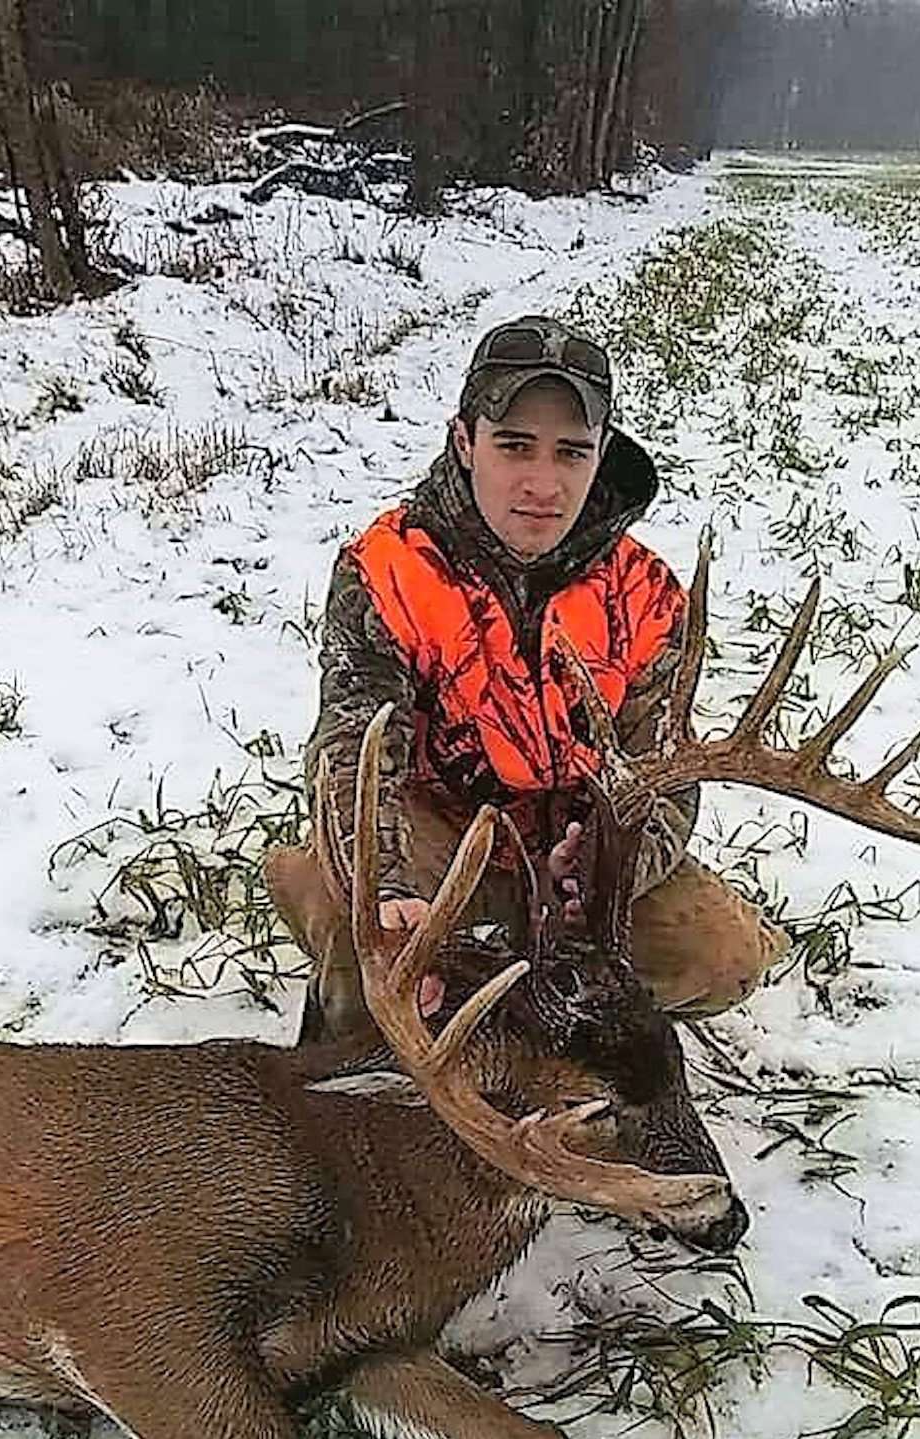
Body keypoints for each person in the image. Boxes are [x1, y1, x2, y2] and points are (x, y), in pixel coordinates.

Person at [266, 315, 788, 1040]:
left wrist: (608, 870)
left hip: (577, 851)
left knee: (719, 958)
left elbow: (667, 779)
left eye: (571, 452)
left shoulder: (644, 594)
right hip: (440, 838)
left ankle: (530, 997)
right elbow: (355, 746)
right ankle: (314, 888)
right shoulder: (387, 570)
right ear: (464, 441)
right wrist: (383, 883)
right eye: (514, 446)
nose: (543, 484)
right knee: (368, 968)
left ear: (601, 455)